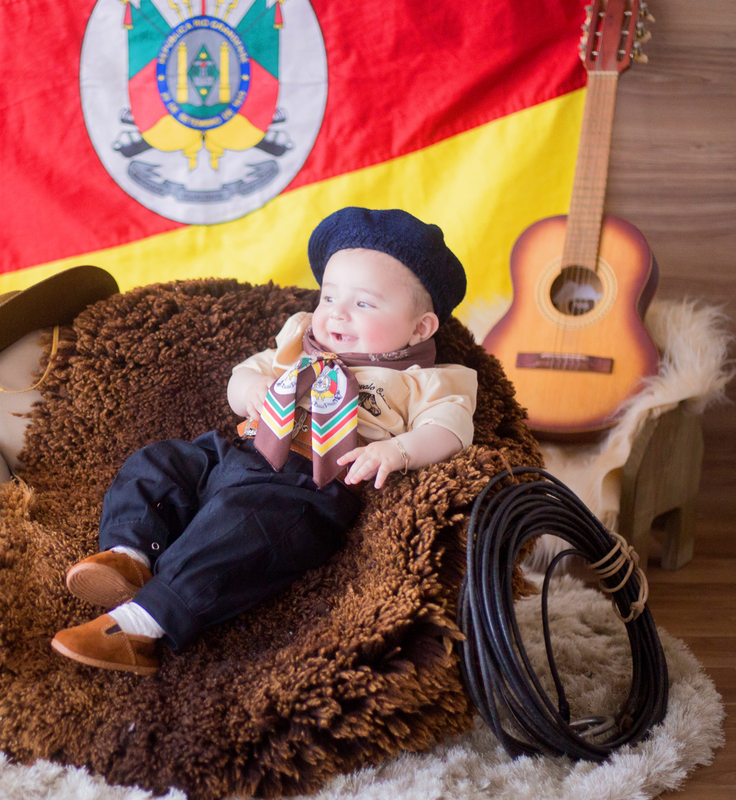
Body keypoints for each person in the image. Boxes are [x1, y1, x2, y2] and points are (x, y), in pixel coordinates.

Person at [50, 208, 478, 675]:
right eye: (330, 295)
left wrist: (395, 450)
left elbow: (449, 431)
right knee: (160, 461)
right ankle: (128, 555)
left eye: (364, 304)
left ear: (421, 328)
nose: (336, 312)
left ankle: (140, 626)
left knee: (239, 529)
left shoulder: (424, 381)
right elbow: (245, 375)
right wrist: (251, 391)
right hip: (242, 452)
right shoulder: (299, 343)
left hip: (306, 488)